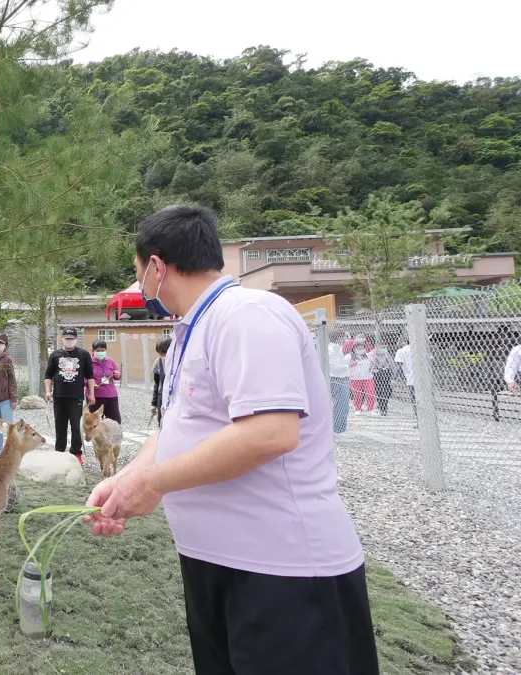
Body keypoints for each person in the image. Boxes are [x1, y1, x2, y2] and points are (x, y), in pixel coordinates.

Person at [85, 205, 376, 675]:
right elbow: (177, 426)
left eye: (138, 274)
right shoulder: (192, 330)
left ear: (156, 267)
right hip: (214, 564)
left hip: (282, 571)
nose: (140, 286)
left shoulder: (247, 315)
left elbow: (270, 432)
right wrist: (127, 479)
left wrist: (154, 483)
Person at [44, 327, 94, 465]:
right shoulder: (55, 355)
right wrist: (48, 391)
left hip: (76, 396)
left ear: (76, 339)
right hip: (59, 396)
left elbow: (90, 376)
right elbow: (48, 375)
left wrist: (91, 393)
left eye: (72, 338)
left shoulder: (83, 354)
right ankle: (59, 452)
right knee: (60, 426)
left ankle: (76, 453)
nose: (69, 341)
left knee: (76, 426)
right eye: (67, 338)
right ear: (63, 339)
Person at [87, 339, 123, 425]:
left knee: (115, 421)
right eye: (98, 350)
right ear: (93, 351)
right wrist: (91, 384)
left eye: (102, 350)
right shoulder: (88, 362)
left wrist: (117, 375)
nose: (100, 352)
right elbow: (83, 377)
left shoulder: (110, 361)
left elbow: (116, 372)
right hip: (95, 397)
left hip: (111, 395)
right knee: (95, 423)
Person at [328, 330, 351, 436]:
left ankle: (340, 427)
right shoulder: (332, 349)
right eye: (344, 337)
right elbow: (334, 366)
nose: (345, 339)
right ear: (339, 338)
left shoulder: (336, 348)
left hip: (340, 377)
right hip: (337, 378)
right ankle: (338, 428)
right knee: (341, 404)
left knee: (341, 404)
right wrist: (348, 366)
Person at [348, 342, 375, 414]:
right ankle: (358, 409)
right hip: (355, 378)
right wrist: (352, 363)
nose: (361, 350)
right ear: (354, 349)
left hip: (368, 377)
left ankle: (370, 409)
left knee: (370, 393)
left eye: (362, 348)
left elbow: (372, 363)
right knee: (357, 394)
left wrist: (372, 367)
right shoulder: (350, 356)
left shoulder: (368, 356)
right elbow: (347, 365)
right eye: (359, 348)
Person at [150, 337, 171, 427]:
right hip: (162, 397)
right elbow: (157, 384)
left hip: (176, 398)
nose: (162, 357)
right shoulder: (158, 362)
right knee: (162, 423)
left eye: (164, 353)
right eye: (160, 354)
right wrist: (154, 404)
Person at [371, 345, 395, 415]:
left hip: (387, 373)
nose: (382, 350)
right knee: (379, 390)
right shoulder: (374, 355)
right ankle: (382, 406)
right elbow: (372, 366)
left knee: (388, 390)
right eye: (380, 348)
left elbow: (392, 365)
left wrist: (394, 376)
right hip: (377, 373)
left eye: (383, 348)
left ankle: (384, 404)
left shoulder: (387, 355)